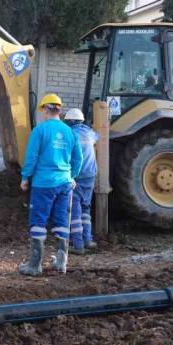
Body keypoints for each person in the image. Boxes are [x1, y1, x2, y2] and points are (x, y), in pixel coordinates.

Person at [18, 93, 82, 276]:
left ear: (46, 110)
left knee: (38, 221)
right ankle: (61, 263)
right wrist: (72, 176)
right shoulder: (69, 132)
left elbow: (31, 157)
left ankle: (34, 265)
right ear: (59, 110)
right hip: (64, 184)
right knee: (62, 221)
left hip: (43, 184)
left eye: (43, 110)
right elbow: (79, 158)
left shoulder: (40, 130)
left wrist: (25, 177)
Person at [64, 108, 99, 255]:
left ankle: (78, 245)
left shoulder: (70, 133)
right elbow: (98, 137)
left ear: (71, 121)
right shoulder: (90, 133)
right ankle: (88, 240)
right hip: (91, 175)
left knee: (75, 209)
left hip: (77, 175)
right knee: (86, 207)